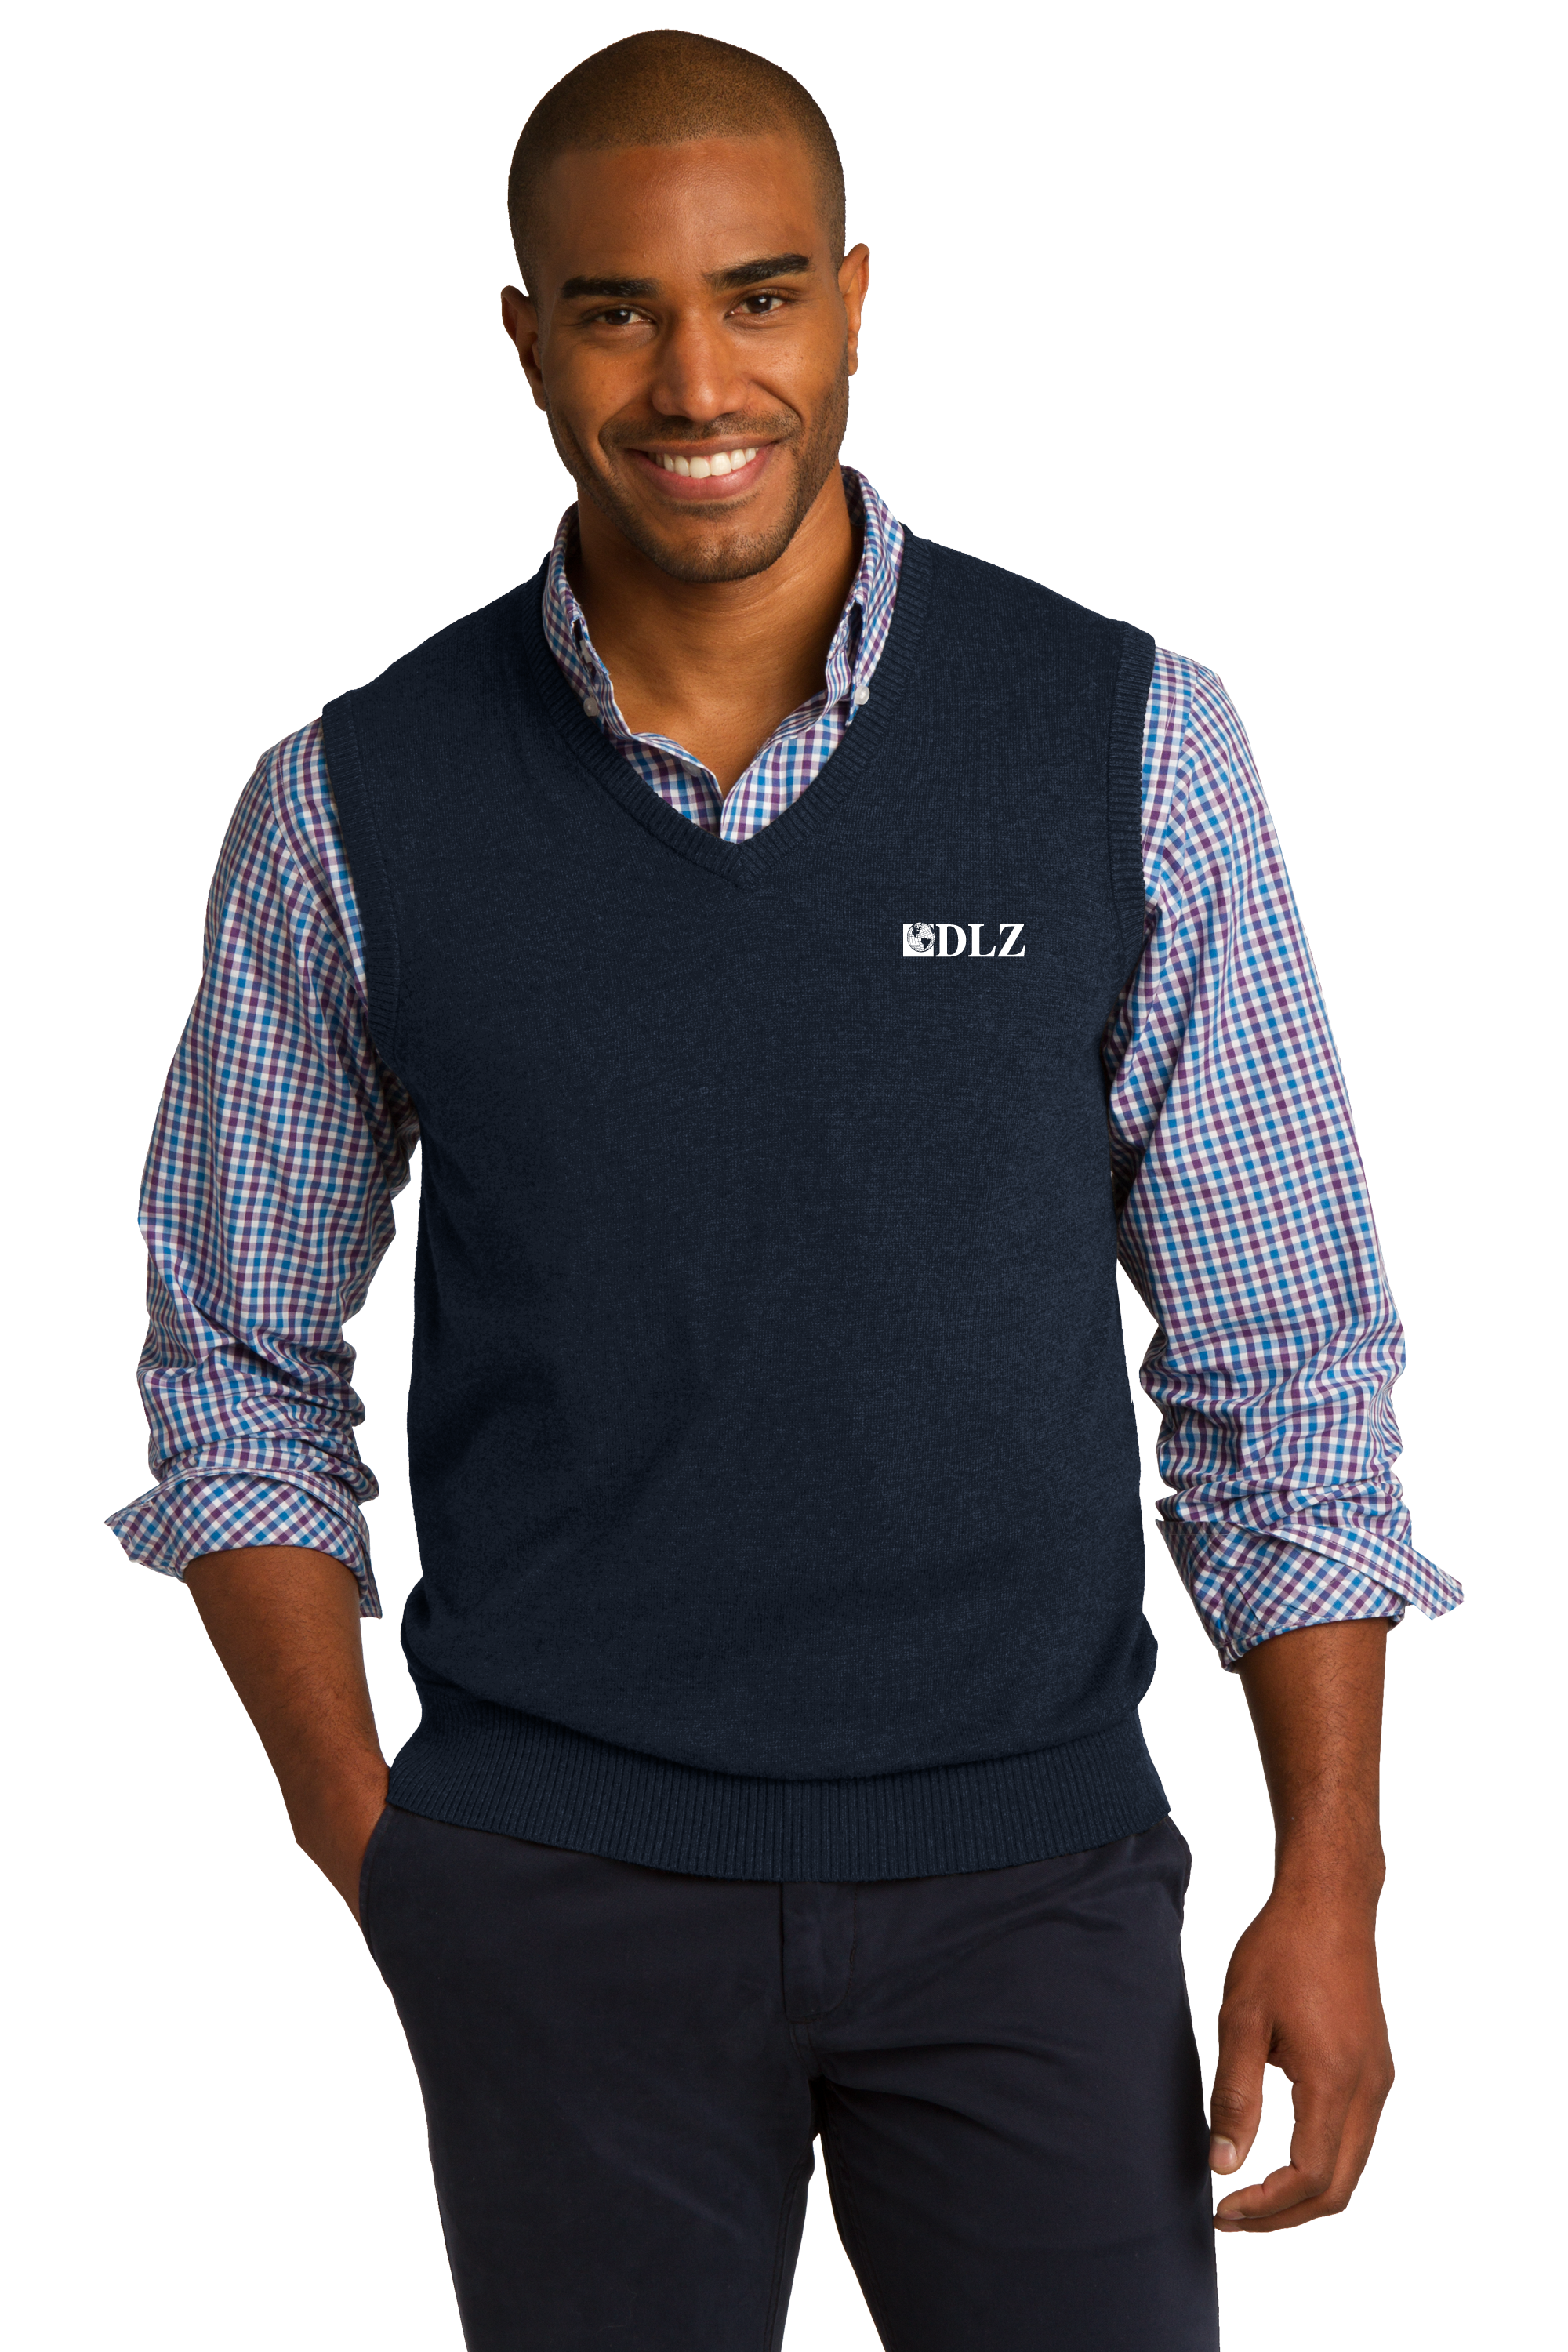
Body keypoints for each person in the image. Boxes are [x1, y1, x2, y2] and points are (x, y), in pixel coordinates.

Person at [109, 31, 1460, 2351]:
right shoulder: (352, 804)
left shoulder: (1128, 740)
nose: (695, 381)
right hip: (556, 1894)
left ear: (851, 302)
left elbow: (1280, 1357)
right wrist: (378, 1845)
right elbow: (235, 1360)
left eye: (756, 297)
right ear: (524, 338)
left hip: (1031, 1876)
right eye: (615, 312)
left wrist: (1328, 1875)